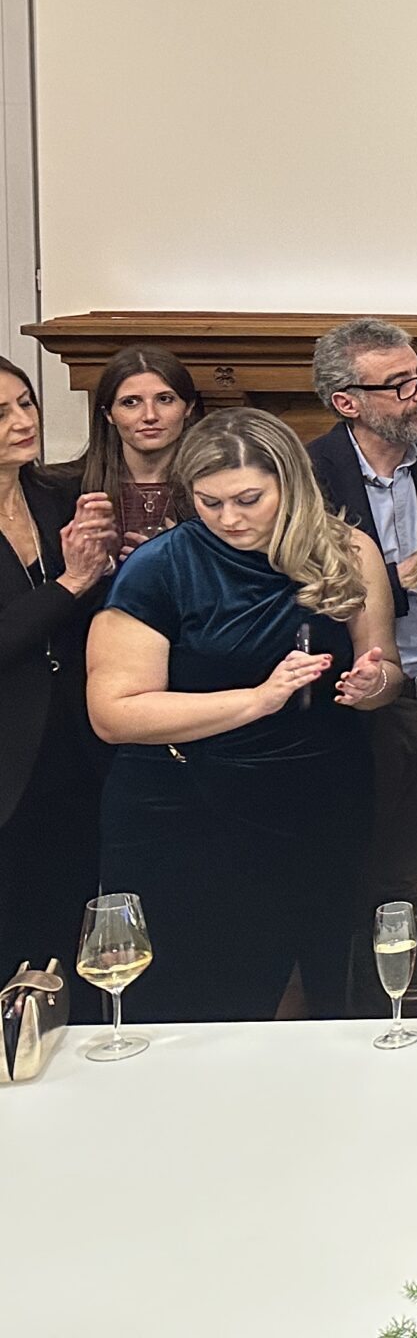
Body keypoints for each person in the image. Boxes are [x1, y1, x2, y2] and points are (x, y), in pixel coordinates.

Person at [87, 409, 403, 1021]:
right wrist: (258, 699)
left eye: (249, 500)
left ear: (291, 484)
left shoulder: (346, 550)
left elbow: (386, 668)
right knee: (198, 998)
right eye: (210, 502)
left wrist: (373, 684)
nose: (229, 518)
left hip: (320, 797)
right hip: (187, 806)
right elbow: (114, 713)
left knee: (316, 985)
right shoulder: (160, 565)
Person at [305, 318, 417, 980]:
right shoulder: (310, 476)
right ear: (347, 402)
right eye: (400, 384)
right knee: (346, 870)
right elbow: (303, 587)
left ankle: (393, 998)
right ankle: (340, 1007)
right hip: (356, 703)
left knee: (405, 873)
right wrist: (397, 576)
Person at [0, 360, 118, 1009]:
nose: (24, 421)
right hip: (7, 761)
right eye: (1, 413)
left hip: (76, 744)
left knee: (71, 925)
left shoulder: (60, 495)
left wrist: (108, 567)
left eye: (26, 402)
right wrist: (72, 582)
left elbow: (86, 614)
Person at [66, 344, 201, 558]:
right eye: (131, 402)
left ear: (188, 407)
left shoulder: (214, 487)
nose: (150, 416)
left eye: (164, 399)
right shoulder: (67, 488)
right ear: (109, 414)